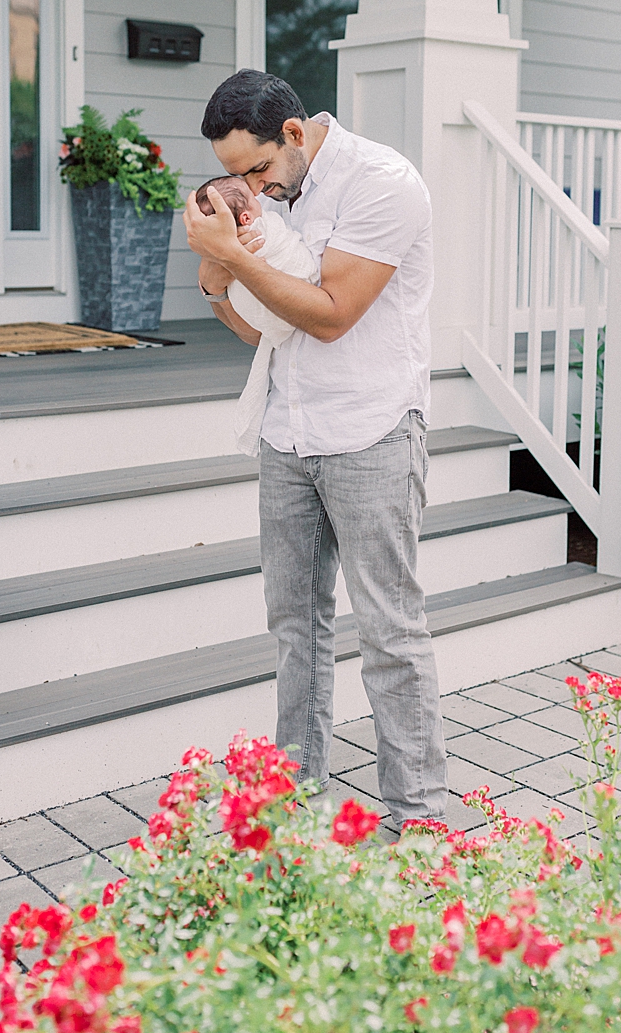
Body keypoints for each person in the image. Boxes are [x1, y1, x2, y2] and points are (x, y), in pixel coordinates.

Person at [183, 69, 447, 828]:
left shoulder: (383, 183)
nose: (250, 190)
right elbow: (261, 330)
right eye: (233, 175)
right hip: (286, 431)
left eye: (257, 169)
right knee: (295, 630)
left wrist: (234, 260)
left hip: (370, 430)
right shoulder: (267, 200)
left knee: (390, 631)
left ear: (293, 134)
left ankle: (421, 818)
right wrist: (214, 278)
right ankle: (294, 801)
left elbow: (331, 316)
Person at [195, 174, 319, 455]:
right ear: (246, 218)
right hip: (281, 424)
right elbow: (253, 333)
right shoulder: (262, 220)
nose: (257, 190)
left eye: (258, 167)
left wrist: (227, 266)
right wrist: (216, 286)